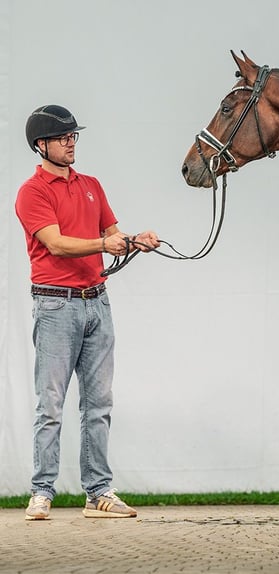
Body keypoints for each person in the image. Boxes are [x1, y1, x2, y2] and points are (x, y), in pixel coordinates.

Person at [15, 104, 160, 520]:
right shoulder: (32, 192)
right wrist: (103, 245)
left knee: (99, 403)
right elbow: (57, 243)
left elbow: (112, 234)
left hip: (96, 302)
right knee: (52, 404)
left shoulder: (92, 185)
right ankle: (42, 491)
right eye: (63, 137)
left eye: (73, 136)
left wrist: (135, 239)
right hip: (55, 304)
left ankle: (98, 492)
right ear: (41, 145)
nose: (71, 142)